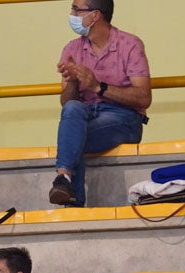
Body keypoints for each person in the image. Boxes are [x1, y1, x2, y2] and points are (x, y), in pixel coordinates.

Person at [50, 0, 151, 207]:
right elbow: (66, 103)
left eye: (76, 9)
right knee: (72, 108)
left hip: (124, 118)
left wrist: (98, 87)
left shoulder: (130, 44)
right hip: (85, 115)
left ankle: (68, 191)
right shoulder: (72, 49)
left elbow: (144, 98)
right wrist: (71, 82)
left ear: (95, 15)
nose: (71, 14)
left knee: (74, 138)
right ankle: (64, 180)